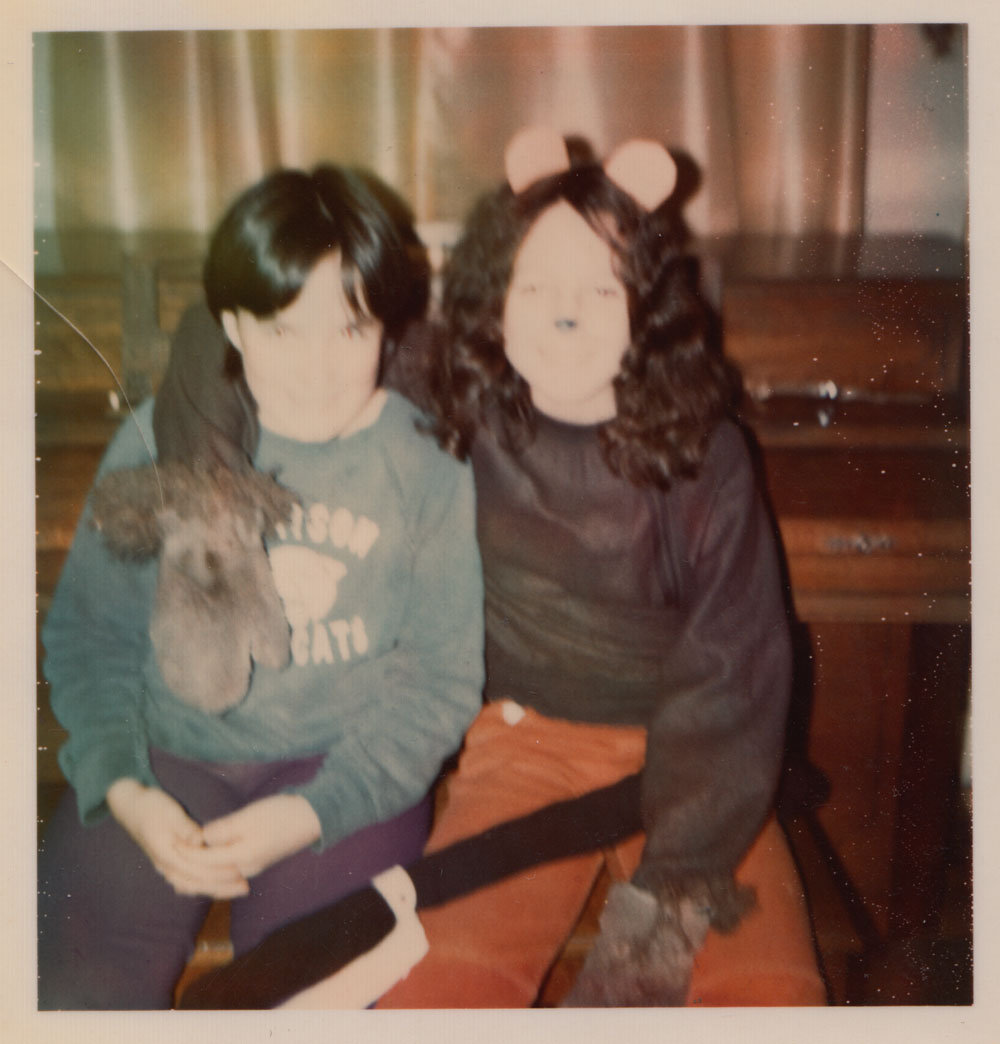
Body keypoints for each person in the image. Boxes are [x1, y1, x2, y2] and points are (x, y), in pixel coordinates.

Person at [148, 131, 827, 1007]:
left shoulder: (708, 452)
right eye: (535, 286)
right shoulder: (460, 383)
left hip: (698, 764)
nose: (564, 316)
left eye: (600, 288)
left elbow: (737, 681)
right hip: (521, 743)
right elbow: (210, 329)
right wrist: (213, 525)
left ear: (646, 304)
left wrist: (650, 943)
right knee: (441, 995)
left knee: (770, 1001)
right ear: (497, 294)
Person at [37, 165, 484, 1010]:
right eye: (283, 331)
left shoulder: (426, 460)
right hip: (167, 756)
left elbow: (441, 678)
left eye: (349, 329)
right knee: (71, 995)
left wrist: (312, 813)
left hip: (348, 774)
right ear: (235, 324)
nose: (318, 369)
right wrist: (125, 790)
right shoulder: (160, 441)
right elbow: (89, 639)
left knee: (307, 1001)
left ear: (385, 327)